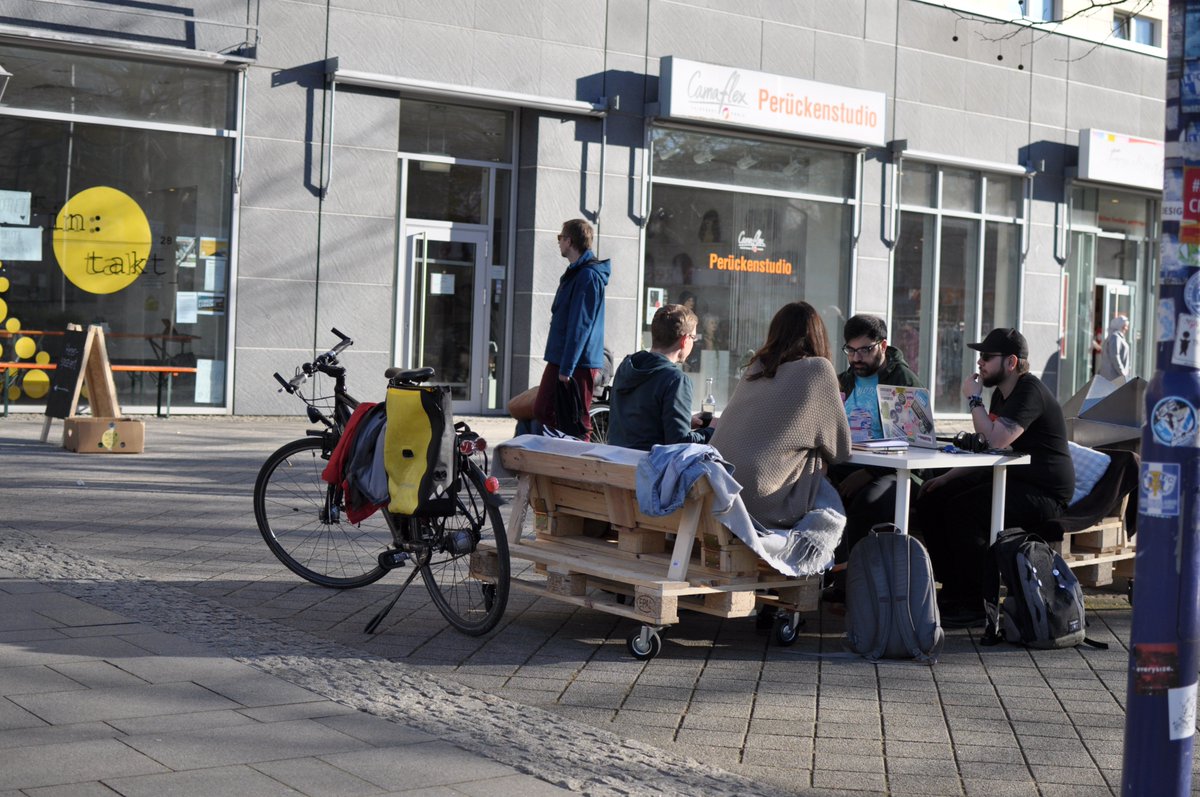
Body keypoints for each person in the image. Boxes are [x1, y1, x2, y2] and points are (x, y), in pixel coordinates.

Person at [913, 327, 1074, 627]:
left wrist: (974, 401)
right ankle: (953, 590)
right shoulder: (1002, 394)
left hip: (1046, 492)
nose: (980, 363)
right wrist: (947, 478)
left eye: (987, 357)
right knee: (933, 497)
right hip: (1012, 478)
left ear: (1011, 362)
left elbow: (995, 440)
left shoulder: (1029, 391)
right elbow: (988, 452)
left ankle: (976, 603)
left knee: (965, 510)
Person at [711, 302, 851, 529]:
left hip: (720, 491)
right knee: (828, 491)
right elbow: (841, 451)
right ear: (818, 335)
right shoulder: (818, 369)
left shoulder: (757, 368)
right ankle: (835, 564)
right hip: (761, 501)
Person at [827, 314, 922, 598]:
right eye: (851, 350)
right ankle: (830, 575)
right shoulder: (843, 380)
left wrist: (870, 473)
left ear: (883, 345)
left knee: (867, 503)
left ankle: (858, 586)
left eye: (865, 350)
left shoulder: (902, 379)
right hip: (849, 464)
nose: (856, 358)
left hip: (898, 472)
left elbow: (915, 442)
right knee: (816, 491)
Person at [533, 219, 611, 439]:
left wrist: (567, 368)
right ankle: (558, 459)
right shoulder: (577, 273)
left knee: (577, 419)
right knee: (545, 411)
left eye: (560, 238)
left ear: (569, 240)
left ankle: (581, 465)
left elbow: (581, 325)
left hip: (577, 362)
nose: (558, 243)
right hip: (562, 358)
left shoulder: (588, 275)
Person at [607, 304, 714, 451]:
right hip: (649, 468)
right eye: (693, 338)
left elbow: (638, 425)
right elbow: (679, 443)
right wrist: (713, 432)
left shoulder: (626, 366)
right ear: (684, 340)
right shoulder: (675, 380)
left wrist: (684, 423)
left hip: (616, 462)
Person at [1098, 314, 1130, 382]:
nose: (1126, 329)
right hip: (1114, 377)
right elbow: (1115, 356)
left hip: (1114, 376)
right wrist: (1122, 373)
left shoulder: (1116, 337)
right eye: (1125, 326)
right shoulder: (1115, 337)